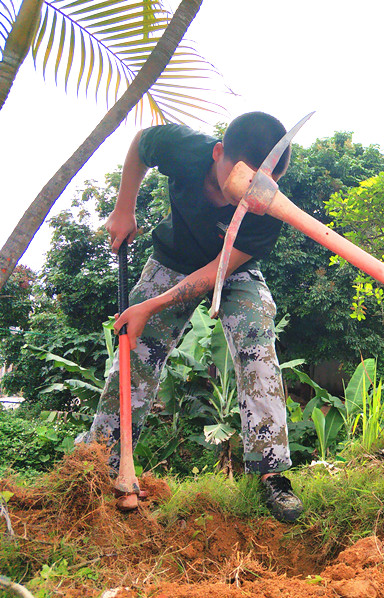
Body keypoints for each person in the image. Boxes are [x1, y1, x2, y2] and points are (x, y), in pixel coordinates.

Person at [81, 112, 303, 523]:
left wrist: (153, 304)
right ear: (218, 154)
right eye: (245, 181)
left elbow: (217, 271)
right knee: (136, 349)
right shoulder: (183, 148)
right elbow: (141, 143)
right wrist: (123, 209)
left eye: (265, 185)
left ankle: (271, 471)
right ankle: (101, 462)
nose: (251, 197)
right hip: (170, 258)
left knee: (257, 339)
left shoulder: (269, 209)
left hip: (231, 269)